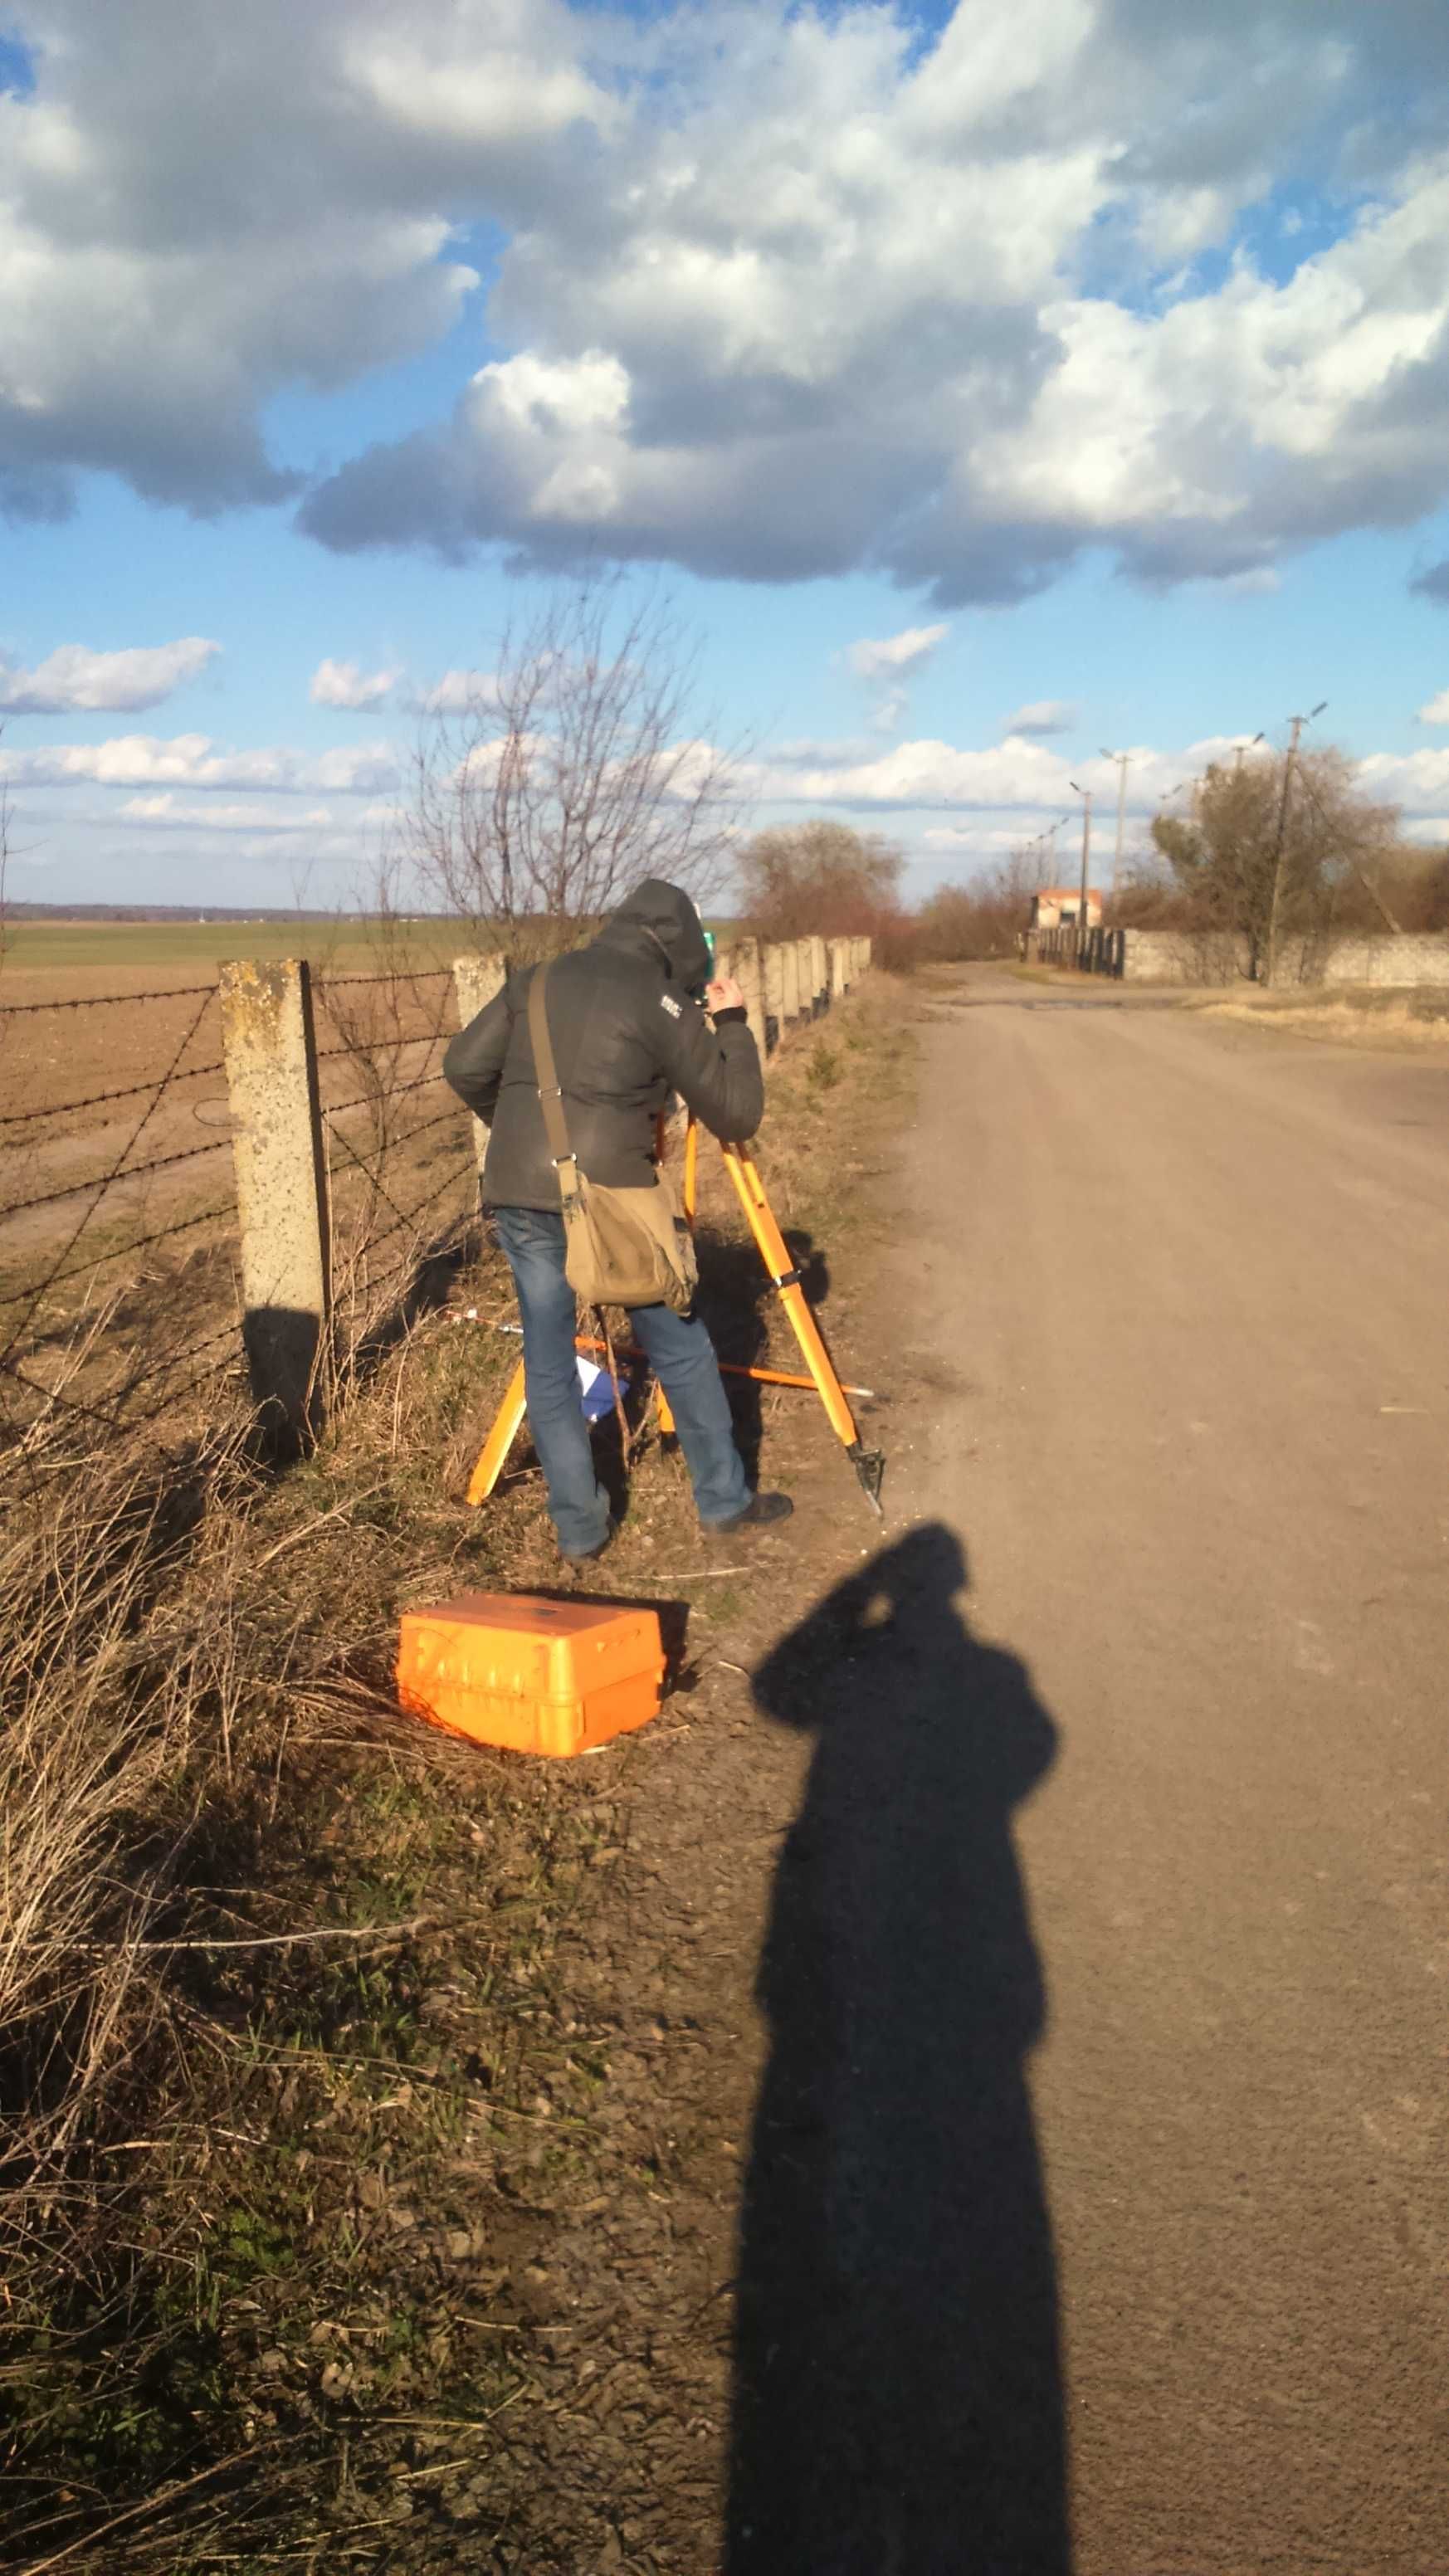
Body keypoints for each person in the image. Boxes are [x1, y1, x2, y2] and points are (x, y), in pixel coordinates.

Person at [443, 879, 793, 1564]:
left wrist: (518, 1129)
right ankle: (724, 1501)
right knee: (680, 1343)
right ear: (678, 946)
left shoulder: (535, 979)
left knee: (547, 1356)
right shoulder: (661, 1001)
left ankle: (579, 1531)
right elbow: (736, 1113)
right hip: (614, 1202)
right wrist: (732, 1027)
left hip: (517, 1191)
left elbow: (463, 1066)